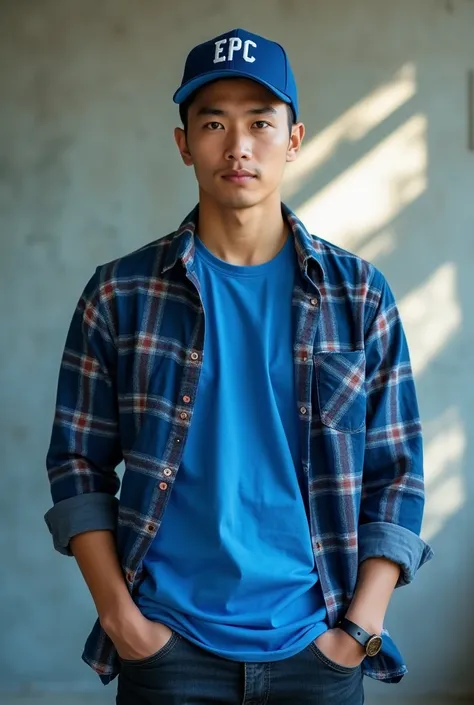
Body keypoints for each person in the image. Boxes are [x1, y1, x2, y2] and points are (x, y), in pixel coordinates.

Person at [44, 28, 433, 705]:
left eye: (260, 122)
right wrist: (120, 618)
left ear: (295, 138)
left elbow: (396, 473)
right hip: (168, 650)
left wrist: (358, 629)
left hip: (319, 649)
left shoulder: (358, 294)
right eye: (214, 123)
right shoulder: (119, 293)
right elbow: (77, 461)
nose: (238, 146)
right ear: (183, 142)